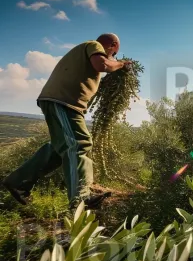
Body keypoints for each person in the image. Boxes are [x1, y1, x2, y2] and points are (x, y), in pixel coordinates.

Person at [2, 33, 132, 210]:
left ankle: (18, 182)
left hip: (61, 102)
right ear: (113, 45)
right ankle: (81, 198)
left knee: (58, 149)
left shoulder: (84, 53)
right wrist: (122, 64)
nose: (112, 57)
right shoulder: (94, 45)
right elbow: (102, 65)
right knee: (78, 144)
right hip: (63, 102)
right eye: (114, 54)